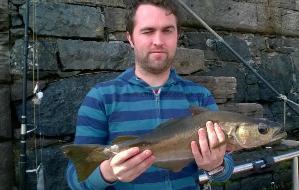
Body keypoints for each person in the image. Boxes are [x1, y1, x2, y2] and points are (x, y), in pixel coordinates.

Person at [65, 0, 234, 189]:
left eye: (167, 30)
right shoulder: (101, 98)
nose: (159, 41)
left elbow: (224, 171)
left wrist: (215, 166)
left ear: (177, 35)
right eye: (148, 31)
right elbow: (75, 180)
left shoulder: (200, 96)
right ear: (130, 38)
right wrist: (108, 172)